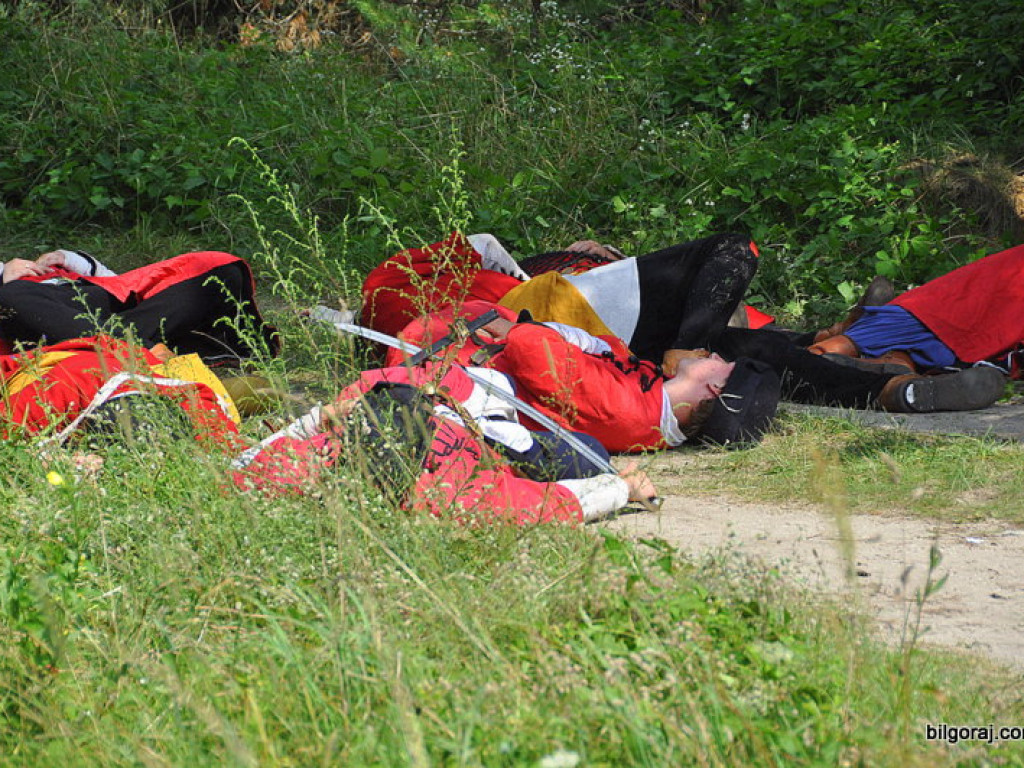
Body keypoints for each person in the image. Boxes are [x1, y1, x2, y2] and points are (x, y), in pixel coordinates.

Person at [231, 364, 660, 525]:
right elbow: (551, 504)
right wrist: (621, 488)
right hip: (497, 438)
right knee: (590, 453)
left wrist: (327, 413)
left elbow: (245, 464)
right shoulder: (444, 492)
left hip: (447, 393)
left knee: (588, 453)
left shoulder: (307, 460)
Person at [383, 301, 782, 451]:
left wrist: (527, 331)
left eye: (725, 363)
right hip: (468, 339)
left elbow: (531, 350)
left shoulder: (627, 410)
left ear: (715, 388)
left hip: (438, 352)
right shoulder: (652, 401)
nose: (716, 355)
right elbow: (611, 348)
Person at [360, 231, 766, 376]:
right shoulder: (387, 281)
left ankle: (692, 355)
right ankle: (686, 354)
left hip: (581, 345)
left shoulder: (405, 333)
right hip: (560, 307)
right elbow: (484, 245)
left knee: (745, 350)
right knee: (734, 247)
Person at [0, 248, 279, 365]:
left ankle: (134, 350)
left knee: (221, 270)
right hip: (37, 317)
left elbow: (115, 281)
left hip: (111, 310)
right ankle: (144, 352)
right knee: (11, 298)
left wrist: (66, 258)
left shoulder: (59, 269)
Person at [808, 242, 1024, 378]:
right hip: (968, 343)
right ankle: (889, 361)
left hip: (932, 314)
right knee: (901, 352)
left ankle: (843, 336)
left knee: (824, 351)